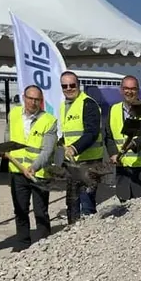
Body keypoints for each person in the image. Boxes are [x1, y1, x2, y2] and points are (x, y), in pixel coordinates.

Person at [6, 85, 57, 248]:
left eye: (37, 100)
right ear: (24, 97)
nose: (33, 102)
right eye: (30, 98)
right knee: (20, 209)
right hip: (17, 171)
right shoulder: (13, 114)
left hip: (39, 173)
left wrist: (34, 167)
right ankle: (22, 244)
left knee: (40, 210)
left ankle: (44, 243)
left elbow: (47, 150)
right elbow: (9, 136)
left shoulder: (49, 121)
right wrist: (5, 151)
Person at [105, 75, 141, 202]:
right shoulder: (113, 110)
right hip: (124, 170)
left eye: (133, 89)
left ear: (138, 90)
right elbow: (109, 136)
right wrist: (114, 154)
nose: (129, 91)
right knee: (125, 209)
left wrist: (133, 144)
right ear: (121, 90)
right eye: (126, 88)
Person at [59, 71, 103, 224]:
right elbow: (68, 133)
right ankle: (72, 234)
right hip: (72, 163)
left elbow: (92, 132)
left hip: (89, 162)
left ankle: (89, 239)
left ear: (78, 85)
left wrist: (75, 148)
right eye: (65, 86)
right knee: (72, 202)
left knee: (87, 204)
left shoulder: (88, 103)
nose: (69, 88)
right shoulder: (64, 106)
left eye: (72, 85)